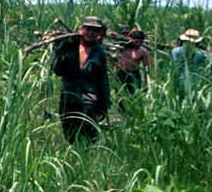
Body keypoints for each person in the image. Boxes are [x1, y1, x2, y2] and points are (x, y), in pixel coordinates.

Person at [53, 15, 110, 143]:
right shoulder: (69, 47)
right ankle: (73, 155)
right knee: (68, 129)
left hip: (90, 95)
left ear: (99, 33)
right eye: (88, 29)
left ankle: (89, 156)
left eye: (95, 30)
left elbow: (103, 79)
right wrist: (60, 57)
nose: (91, 33)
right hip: (69, 95)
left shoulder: (99, 52)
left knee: (89, 130)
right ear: (81, 29)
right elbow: (57, 71)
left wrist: (104, 104)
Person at [171, 28, 208, 95]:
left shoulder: (175, 51)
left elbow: (174, 67)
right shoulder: (204, 54)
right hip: (197, 83)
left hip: (180, 82)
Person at [115, 28, 152, 94]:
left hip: (134, 74)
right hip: (121, 73)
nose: (138, 44)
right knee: (120, 93)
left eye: (141, 42)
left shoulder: (143, 51)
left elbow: (146, 66)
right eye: (136, 41)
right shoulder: (123, 47)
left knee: (135, 93)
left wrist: (148, 80)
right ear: (132, 40)